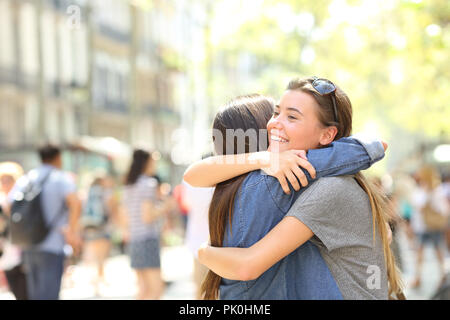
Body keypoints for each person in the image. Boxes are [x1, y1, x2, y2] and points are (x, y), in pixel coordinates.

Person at [185, 84, 395, 299]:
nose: (276, 124)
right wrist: (266, 158)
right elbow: (373, 147)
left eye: (291, 117)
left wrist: (204, 251)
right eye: (276, 113)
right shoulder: (278, 177)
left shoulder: (303, 179)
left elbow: (247, 265)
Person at [6, 145, 82, 300]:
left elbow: (9, 205)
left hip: (28, 242)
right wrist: (71, 231)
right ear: (58, 158)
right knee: (49, 291)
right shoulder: (60, 178)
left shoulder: (27, 178)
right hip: (53, 241)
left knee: (35, 292)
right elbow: (75, 203)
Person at [121, 149, 170, 300]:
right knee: (156, 288)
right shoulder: (148, 184)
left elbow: (125, 217)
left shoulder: (128, 185)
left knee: (143, 289)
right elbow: (148, 216)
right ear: (147, 162)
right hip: (147, 238)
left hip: (134, 239)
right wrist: (166, 205)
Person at [410, 166, 449, 289]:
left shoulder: (434, 190)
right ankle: (419, 277)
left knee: (437, 251)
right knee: (422, 252)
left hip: (431, 227)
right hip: (423, 227)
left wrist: (428, 198)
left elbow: (441, 208)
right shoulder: (424, 188)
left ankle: (442, 276)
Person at [183, 154, 215, 299]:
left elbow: (185, 204)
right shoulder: (221, 182)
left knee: (201, 291)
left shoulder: (189, 182)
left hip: (197, 241)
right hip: (217, 245)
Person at [81, 175, 116, 296]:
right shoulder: (106, 193)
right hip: (103, 227)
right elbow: (111, 209)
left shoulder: (86, 193)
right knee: (101, 258)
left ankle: (94, 282)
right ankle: (100, 281)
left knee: (91, 257)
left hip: (89, 227)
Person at [0, 162, 27, 300]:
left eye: (8, 179)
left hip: (22, 250)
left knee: (24, 290)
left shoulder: (22, 198)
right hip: (7, 251)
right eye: (2, 180)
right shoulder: (2, 200)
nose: (5, 183)